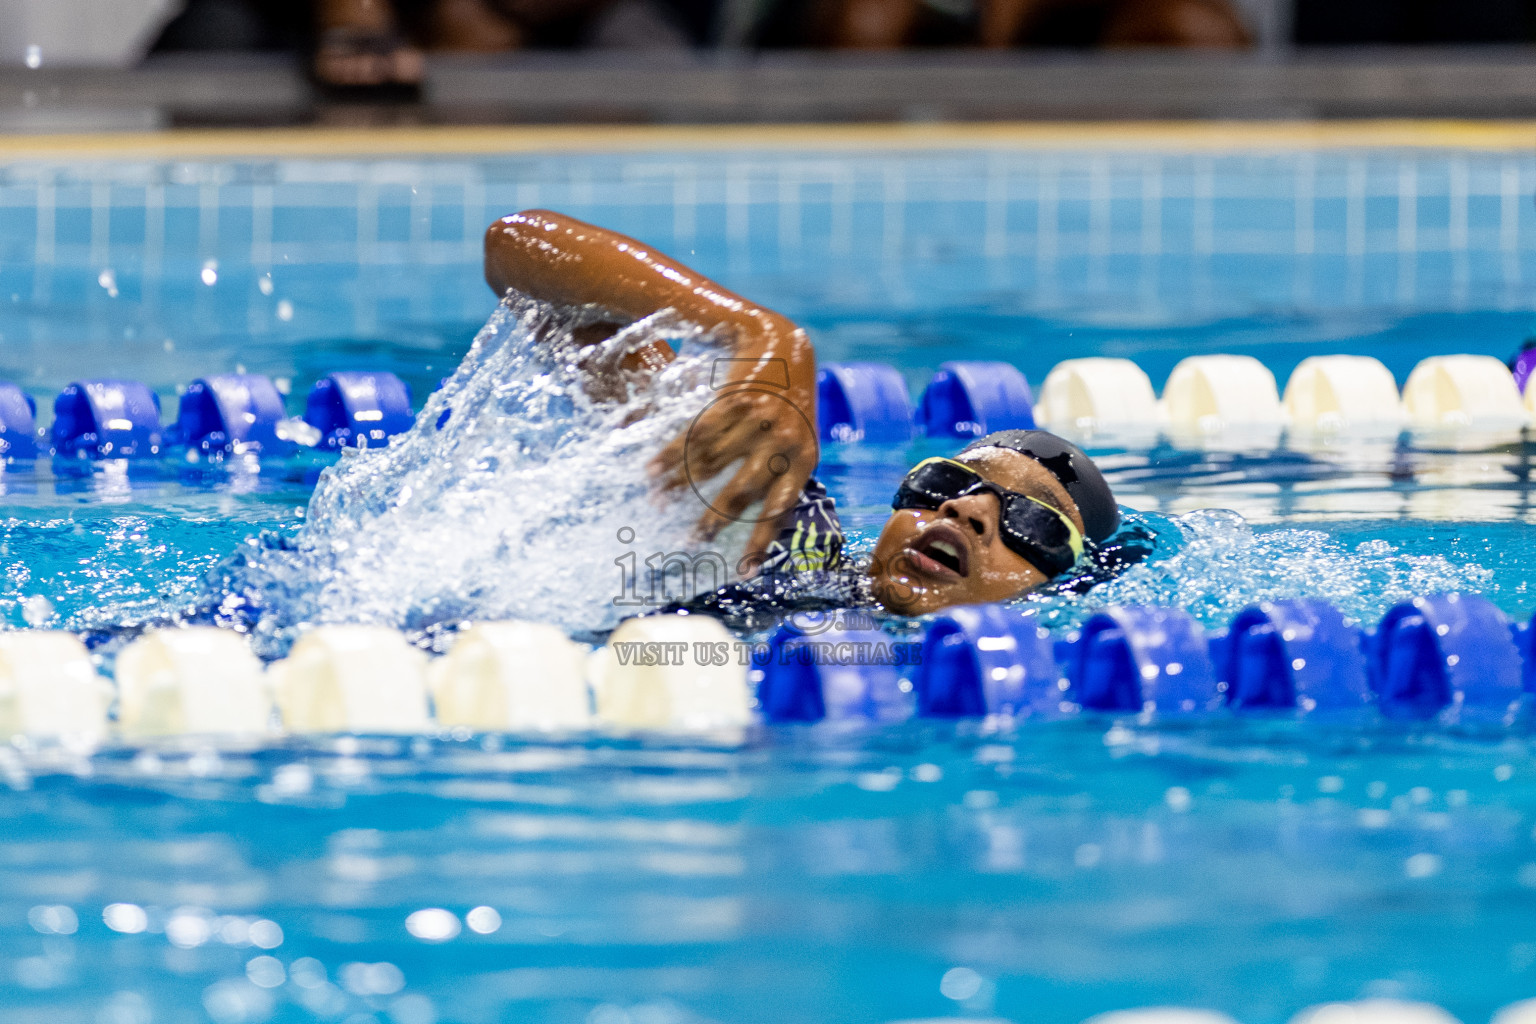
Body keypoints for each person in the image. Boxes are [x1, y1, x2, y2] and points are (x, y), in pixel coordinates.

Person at [485, 210, 1141, 628]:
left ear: (1071, 583)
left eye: (1031, 520)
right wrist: (760, 332)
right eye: (944, 483)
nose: (965, 510)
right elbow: (517, 247)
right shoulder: (774, 532)